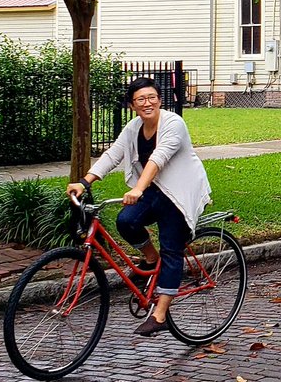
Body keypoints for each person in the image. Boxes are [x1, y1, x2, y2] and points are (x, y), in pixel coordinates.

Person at [67, 77, 212, 336]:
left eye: (152, 97)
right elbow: (113, 154)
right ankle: (149, 258)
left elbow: (159, 158)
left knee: (171, 248)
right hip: (154, 189)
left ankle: (160, 315)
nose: (147, 103)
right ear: (132, 105)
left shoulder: (173, 123)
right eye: (140, 100)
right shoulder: (134, 127)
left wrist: (138, 188)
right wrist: (85, 181)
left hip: (178, 191)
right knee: (126, 221)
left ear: (159, 99)